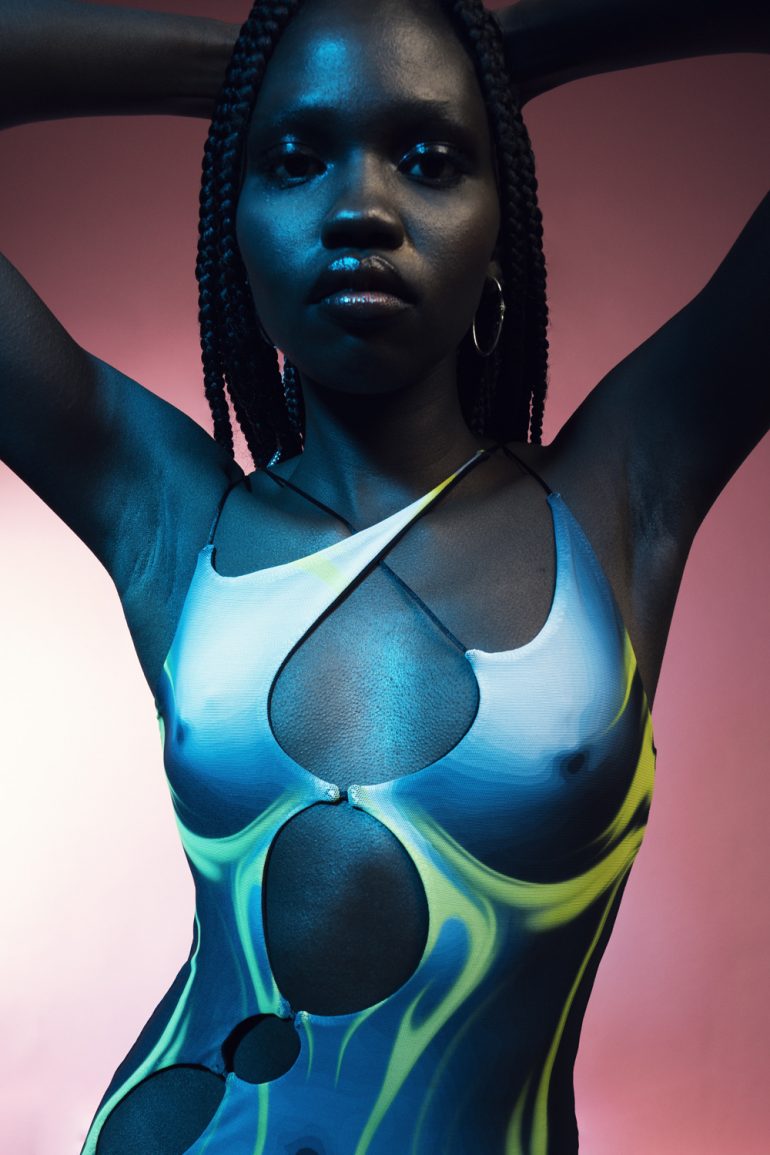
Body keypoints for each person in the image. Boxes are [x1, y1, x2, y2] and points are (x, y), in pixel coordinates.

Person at [0, 0, 767, 1152]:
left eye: (428, 157)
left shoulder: (621, 491)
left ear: (501, 220)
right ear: (233, 225)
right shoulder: (166, 515)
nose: (360, 206)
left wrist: (510, 56)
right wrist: (240, 70)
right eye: (294, 159)